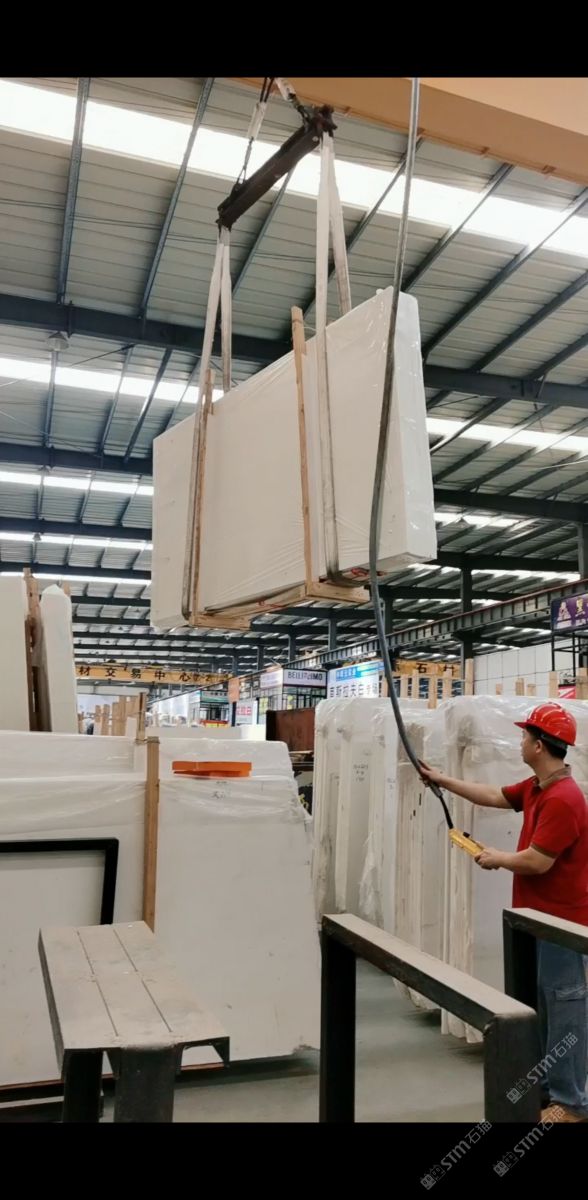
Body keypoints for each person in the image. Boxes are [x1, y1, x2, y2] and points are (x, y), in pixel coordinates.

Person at [421, 702, 588, 1123]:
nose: (520, 742)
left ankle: (571, 1103)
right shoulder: (537, 787)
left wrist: (496, 858)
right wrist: (442, 779)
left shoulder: (564, 798)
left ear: (539, 745)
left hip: (563, 925)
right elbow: (495, 796)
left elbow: (538, 861)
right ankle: (549, 1090)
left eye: (525, 736)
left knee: (565, 1009)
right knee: (543, 1008)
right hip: (536, 920)